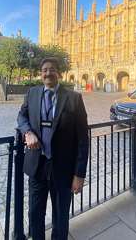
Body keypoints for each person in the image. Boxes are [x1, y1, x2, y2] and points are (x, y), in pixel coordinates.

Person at [17, 57, 89, 240]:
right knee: (34, 213)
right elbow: (21, 116)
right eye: (44, 70)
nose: (48, 73)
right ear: (41, 74)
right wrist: (27, 133)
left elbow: (82, 139)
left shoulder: (74, 98)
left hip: (63, 168)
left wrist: (79, 175)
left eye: (52, 70)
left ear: (59, 73)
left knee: (61, 216)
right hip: (37, 165)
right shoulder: (32, 93)